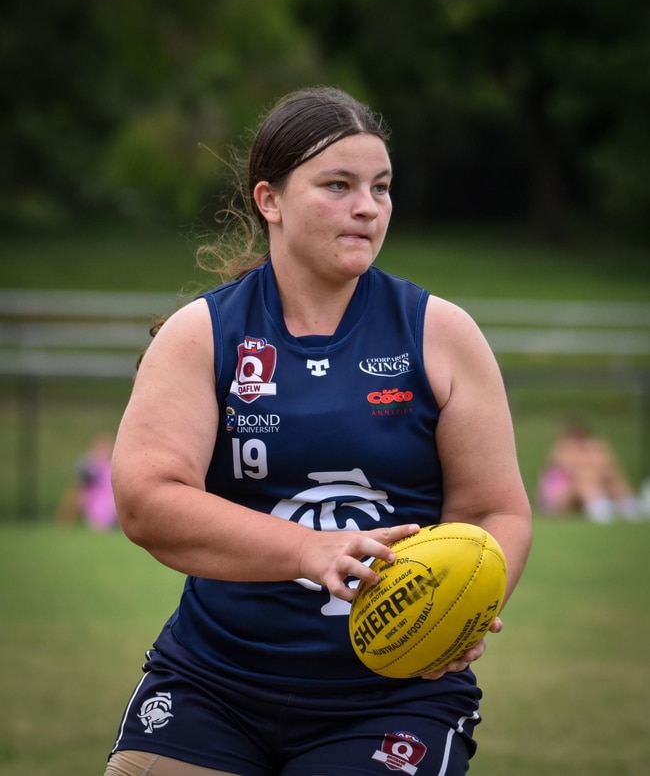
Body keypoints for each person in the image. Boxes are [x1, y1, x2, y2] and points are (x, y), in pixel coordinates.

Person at [104, 87, 532, 776]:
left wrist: (469, 608)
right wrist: (311, 551)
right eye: (339, 185)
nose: (368, 206)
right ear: (269, 200)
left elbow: (493, 510)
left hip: (392, 699)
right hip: (213, 681)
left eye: (381, 187)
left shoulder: (441, 334)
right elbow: (148, 499)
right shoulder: (203, 335)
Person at [536, 418, 639, 523]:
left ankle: (626, 504)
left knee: (609, 475)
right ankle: (601, 508)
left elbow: (608, 464)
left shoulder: (591, 447)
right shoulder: (562, 448)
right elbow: (571, 469)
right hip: (556, 500)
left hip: (585, 491)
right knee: (583, 477)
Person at [55, 433, 118, 530]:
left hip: (113, 506)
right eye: (101, 447)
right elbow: (76, 490)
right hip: (98, 511)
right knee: (78, 491)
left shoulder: (111, 465)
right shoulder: (90, 466)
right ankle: (65, 523)